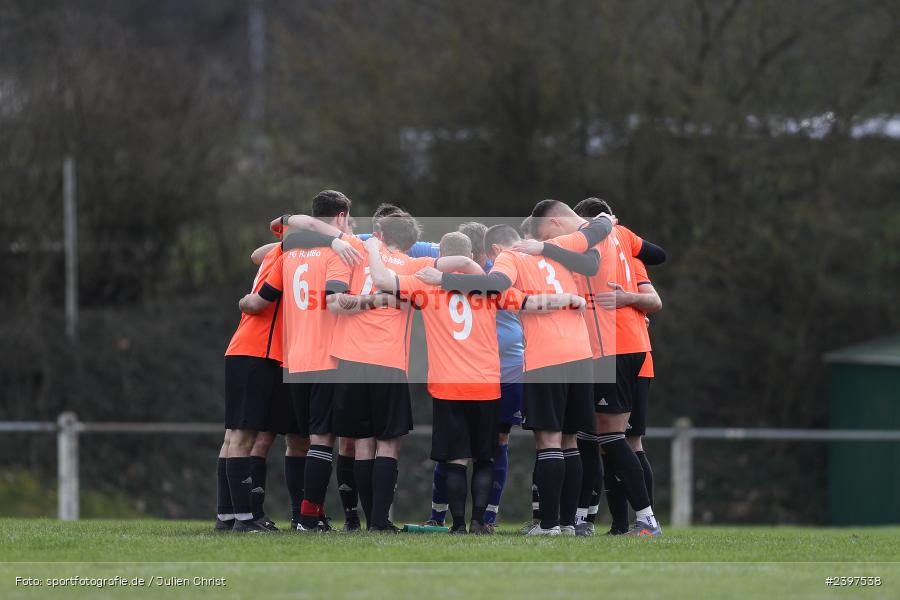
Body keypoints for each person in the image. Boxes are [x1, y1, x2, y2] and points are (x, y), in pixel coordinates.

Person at [418, 211, 613, 535]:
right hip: (579, 353)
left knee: (535, 443)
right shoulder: (564, 252)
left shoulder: (509, 260)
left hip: (526, 363)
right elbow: (593, 254)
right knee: (569, 443)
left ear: (495, 250)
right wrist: (567, 296)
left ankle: (541, 524)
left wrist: (444, 278)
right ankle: (570, 523)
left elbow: (496, 285)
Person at [518, 197, 664, 536]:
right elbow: (657, 254)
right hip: (622, 345)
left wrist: (540, 249)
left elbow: (589, 264)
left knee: (608, 437)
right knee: (603, 438)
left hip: (610, 346)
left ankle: (643, 518)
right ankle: (590, 520)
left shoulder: (593, 234)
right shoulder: (619, 233)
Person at [239, 190, 373, 532]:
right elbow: (335, 301)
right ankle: (309, 517)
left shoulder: (290, 253)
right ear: (342, 216)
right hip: (326, 355)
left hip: (292, 359)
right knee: (322, 439)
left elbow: (259, 260)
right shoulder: (341, 252)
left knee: (297, 440)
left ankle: (300, 514)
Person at [219, 240, 295, 533]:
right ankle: (244, 518)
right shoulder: (285, 261)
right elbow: (256, 303)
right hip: (257, 353)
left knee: (232, 436)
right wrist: (244, 300)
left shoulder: (273, 255)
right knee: (243, 437)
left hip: (241, 350)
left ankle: (226, 516)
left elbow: (255, 254)